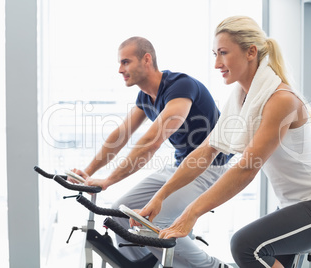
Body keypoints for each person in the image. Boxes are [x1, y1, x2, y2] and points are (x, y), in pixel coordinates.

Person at [136, 16, 311, 268]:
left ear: (250, 52)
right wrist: (160, 197)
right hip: (294, 205)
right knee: (253, 248)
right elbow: (206, 151)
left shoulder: (280, 99)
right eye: (215, 54)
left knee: (245, 246)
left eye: (223, 53)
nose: (217, 63)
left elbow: (247, 167)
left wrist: (191, 213)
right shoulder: (241, 98)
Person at [70, 36, 233, 268]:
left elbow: (151, 142)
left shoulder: (180, 86)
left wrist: (109, 180)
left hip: (210, 168)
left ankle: (213, 266)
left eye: (126, 62)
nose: (120, 69)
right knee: (120, 215)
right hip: (179, 166)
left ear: (146, 59)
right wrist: (86, 173)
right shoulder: (145, 97)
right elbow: (120, 136)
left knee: (159, 223)